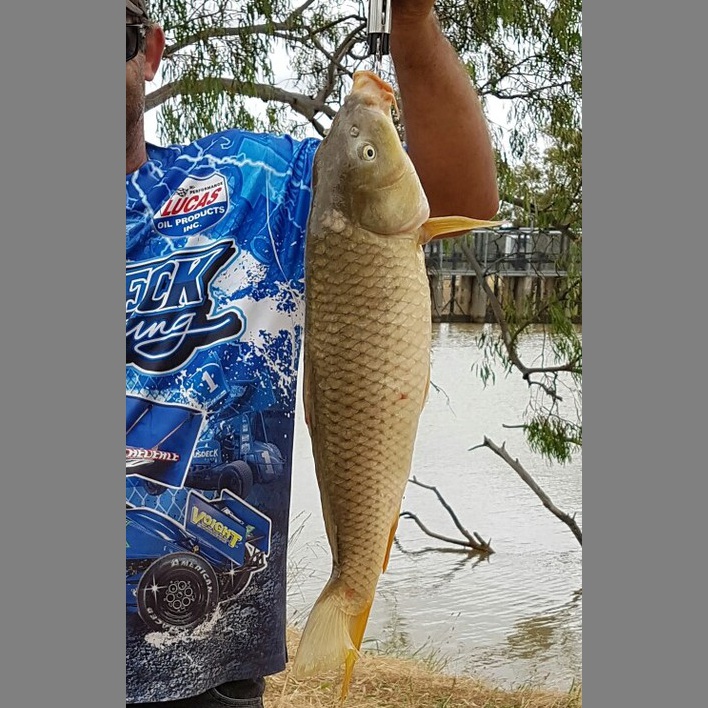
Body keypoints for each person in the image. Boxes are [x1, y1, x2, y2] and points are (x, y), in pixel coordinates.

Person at [125, 0, 498, 706]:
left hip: (201, 669)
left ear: (149, 51)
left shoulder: (245, 183)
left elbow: (460, 195)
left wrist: (411, 26)